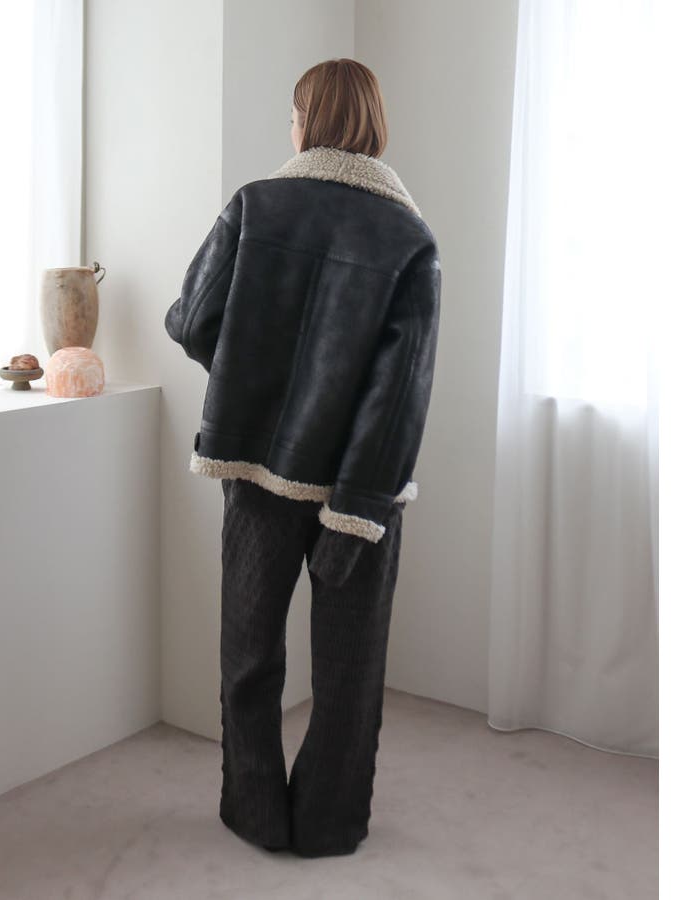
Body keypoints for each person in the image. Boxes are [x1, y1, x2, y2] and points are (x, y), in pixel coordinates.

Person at [165, 58, 441, 858]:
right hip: (361, 488)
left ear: (306, 122)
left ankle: (254, 812)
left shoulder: (256, 206)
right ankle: (328, 822)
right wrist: (359, 504)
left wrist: (252, 381)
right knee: (349, 671)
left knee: (249, 652)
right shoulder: (410, 238)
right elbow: (401, 392)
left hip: (257, 472)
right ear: (375, 125)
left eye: (293, 114)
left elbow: (191, 320)